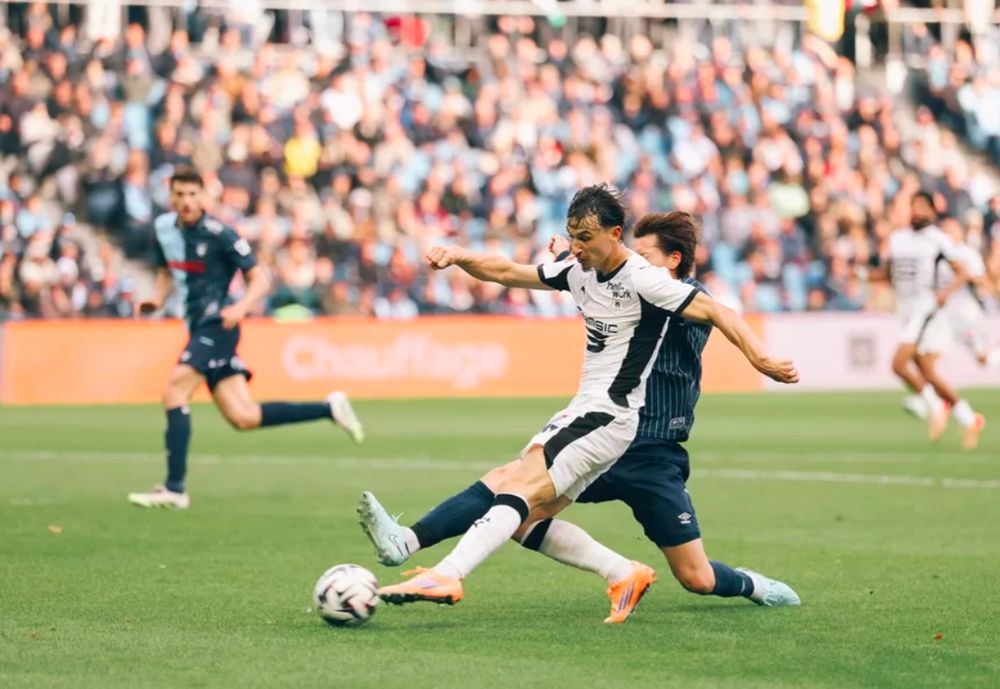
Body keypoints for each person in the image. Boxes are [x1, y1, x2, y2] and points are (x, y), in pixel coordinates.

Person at [373, 185, 799, 620]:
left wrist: (760, 357)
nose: (634, 256)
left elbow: (712, 311)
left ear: (668, 261)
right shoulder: (595, 271)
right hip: (606, 434)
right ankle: (413, 544)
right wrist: (468, 256)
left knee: (697, 578)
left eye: (644, 254)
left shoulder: (659, 287)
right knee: (515, 498)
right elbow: (509, 271)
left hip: (645, 446)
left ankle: (751, 585)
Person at [127, 167, 364, 510]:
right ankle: (328, 408)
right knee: (244, 417)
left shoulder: (220, 233)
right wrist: (158, 298)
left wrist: (241, 307)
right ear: (171, 196)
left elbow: (260, 278)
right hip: (196, 326)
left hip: (219, 324)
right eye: (179, 194)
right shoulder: (164, 228)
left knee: (174, 390)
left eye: (193, 194)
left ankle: (174, 487)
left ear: (204, 195)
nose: (186, 201)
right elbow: (166, 269)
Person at [887, 192, 982, 448]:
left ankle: (935, 407)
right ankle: (970, 418)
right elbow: (888, 274)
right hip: (906, 310)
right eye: (913, 206)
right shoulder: (898, 239)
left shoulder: (938, 240)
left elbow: (962, 272)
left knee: (898, 364)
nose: (917, 211)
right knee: (927, 371)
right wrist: (862, 275)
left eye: (922, 207)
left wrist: (945, 293)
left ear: (931, 211)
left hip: (926, 310)